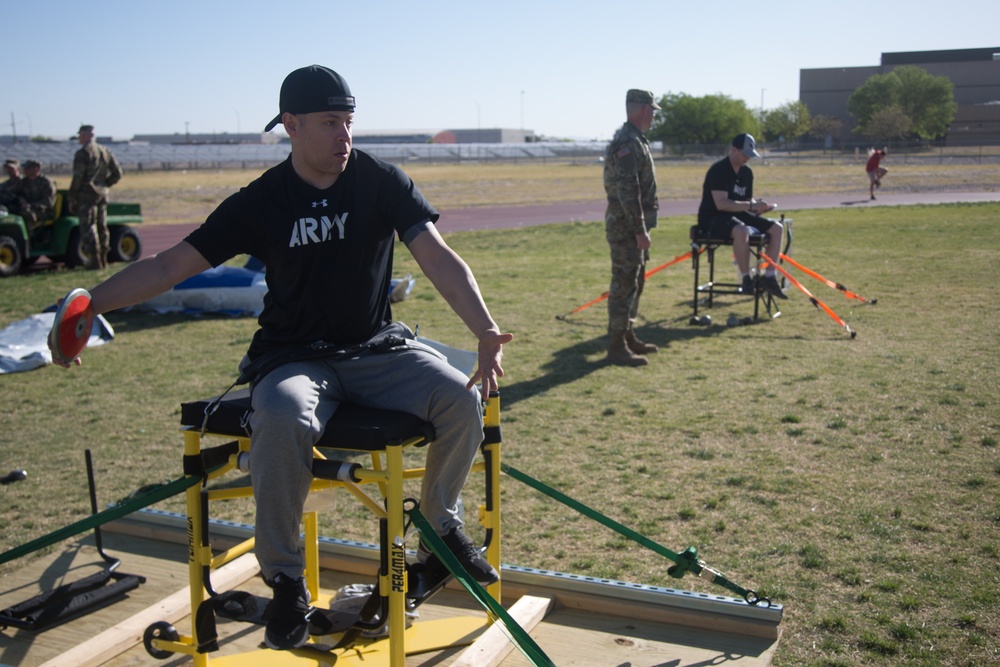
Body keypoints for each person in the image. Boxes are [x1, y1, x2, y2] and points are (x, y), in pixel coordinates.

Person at [50, 64, 514, 651]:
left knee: (460, 399)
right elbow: (170, 266)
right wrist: (92, 306)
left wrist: (485, 328)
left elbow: (438, 256)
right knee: (284, 417)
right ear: (290, 125)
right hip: (293, 358)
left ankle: (440, 527)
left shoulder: (380, 180)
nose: (344, 136)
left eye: (348, 122)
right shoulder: (263, 200)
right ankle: (287, 579)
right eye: (329, 123)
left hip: (375, 348)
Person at [602, 89, 660, 367]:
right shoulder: (627, 142)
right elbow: (628, 190)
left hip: (633, 227)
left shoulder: (635, 140)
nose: (653, 116)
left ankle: (627, 334)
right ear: (643, 110)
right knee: (624, 284)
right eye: (651, 110)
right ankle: (616, 346)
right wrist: (639, 229)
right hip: (626, 228)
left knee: (636, 282)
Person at [696, 133, 787, 300]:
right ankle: (746, 279)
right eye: (745, 154)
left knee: (777, 229)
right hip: (713, 217)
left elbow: (745, 201)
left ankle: (769, 277)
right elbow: (721, 204)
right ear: (734, 150)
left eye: (750, 155)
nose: (748, 158)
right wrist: (751, 206)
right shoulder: (719, 170)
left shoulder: (747, 173)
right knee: (741, 230)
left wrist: (759, 207)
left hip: (739, 214)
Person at [68, 124, 123, 269]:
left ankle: (95, 259)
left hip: (86, 195)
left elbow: (78, 178)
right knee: (102, 225)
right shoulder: (105, 151)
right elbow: (118, 173)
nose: (79, 137)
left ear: (86, 135)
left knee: (89, 226)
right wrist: (104, 185)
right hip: (102, 194)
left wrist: (72, 197)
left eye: (80, 134)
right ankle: (104, 258)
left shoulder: (83, 153)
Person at [12, 160, 57, 234]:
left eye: (27, 168)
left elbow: (48, 202)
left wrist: (30, 205)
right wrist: (21, 200)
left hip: (43, 211)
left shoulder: (46, 182)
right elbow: (18, 194)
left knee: (25, 215)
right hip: (25, 207)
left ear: (36, 169)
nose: (25, 170)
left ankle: (27, 240)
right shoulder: (24, 182)